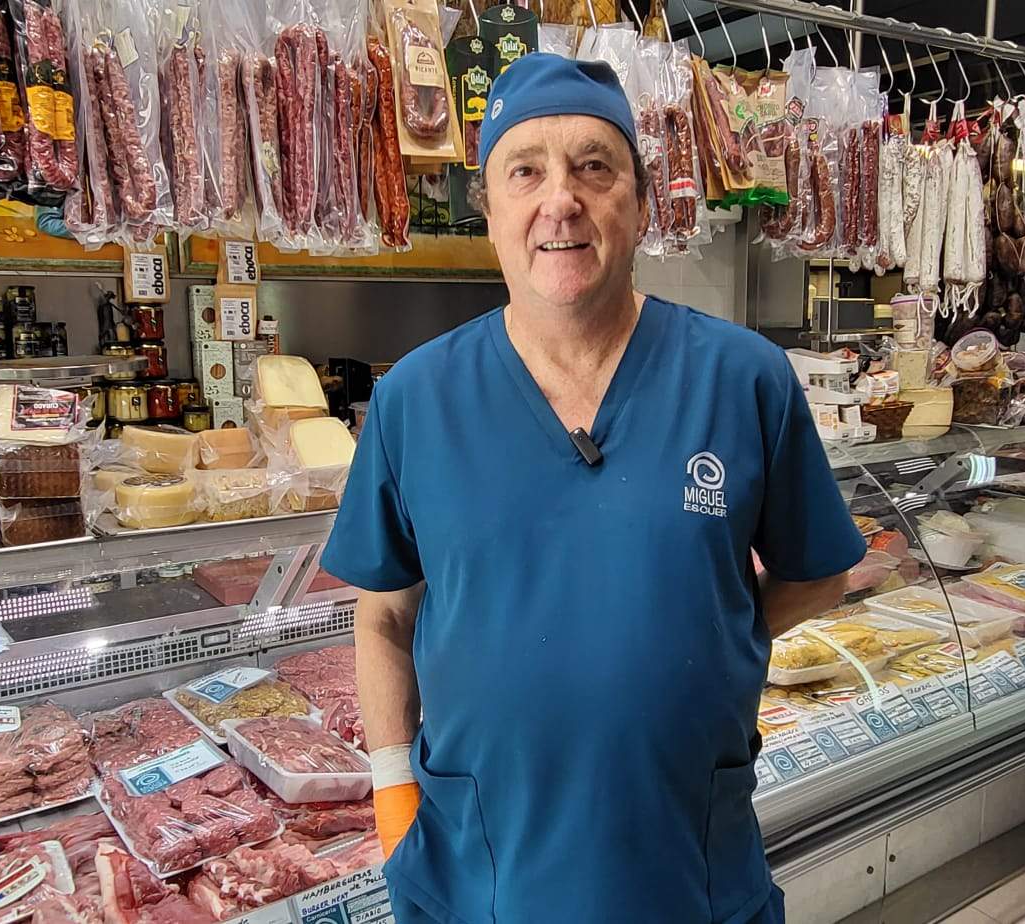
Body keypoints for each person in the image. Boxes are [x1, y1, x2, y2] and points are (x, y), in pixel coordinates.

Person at [319, 54, 866, 924]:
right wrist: (392, 796)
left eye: (594, 167)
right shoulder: (415, 398)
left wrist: (712, 637)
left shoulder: (743, 379)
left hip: (689, 870)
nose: (560, 200)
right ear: (491, 212)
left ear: (641, 206)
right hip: (479, 876)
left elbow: (820, 573)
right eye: (525, 171)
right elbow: (383, 617)